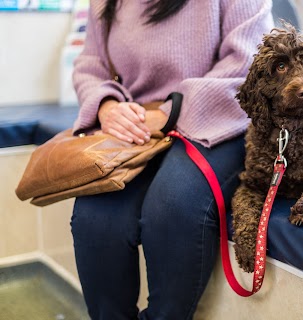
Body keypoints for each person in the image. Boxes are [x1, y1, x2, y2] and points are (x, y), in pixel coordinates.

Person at [70, 0, 273, 319]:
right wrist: (107, 106)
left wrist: (169, 113)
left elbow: (248, 62)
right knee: (94, 218)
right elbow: (90, 65)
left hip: (215, 118)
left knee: (172, 207)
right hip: (140, 126)